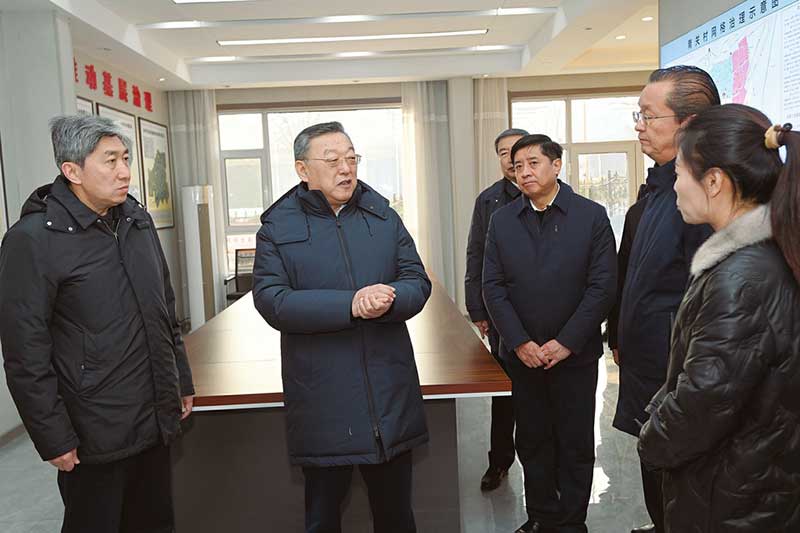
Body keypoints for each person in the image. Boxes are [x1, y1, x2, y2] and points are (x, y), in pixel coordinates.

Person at [0, 115, 194, 533]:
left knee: (155, 523)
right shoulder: (33, 240)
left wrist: (179, 379)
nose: (124, 171)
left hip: (153, 418)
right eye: (110, 161)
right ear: (72, 171)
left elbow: (164, 309)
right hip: (93, 429)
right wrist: (52, 435)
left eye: (125, 158)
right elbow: (24, 352)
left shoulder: (136, 221)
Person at [252, 121, 431, 533]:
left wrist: (390, 297)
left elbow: (417, 280)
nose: (346, 169)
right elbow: (273, 300)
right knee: (322, 517)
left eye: (351, 158)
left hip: (388, 395)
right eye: (332, 160)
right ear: (303, 170)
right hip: (323, 399)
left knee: (396, 517)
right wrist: (349, 305)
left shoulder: (382, 216)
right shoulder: (278, 228)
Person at [638, 104, 800, 532]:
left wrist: (651, 439)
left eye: (679, 173)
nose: (675, 185)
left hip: (731, 498)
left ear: (713, 181)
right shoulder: (762, 255)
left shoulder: (740, 279)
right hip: (755, 484)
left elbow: (704, 401)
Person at [483, 134, 617, 533]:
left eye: (533, 163)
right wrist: (520, 342)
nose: (524, 172)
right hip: (523, 357)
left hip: (575, 355)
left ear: (556, 165)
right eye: (517, 165)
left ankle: (572, 521)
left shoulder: (591, 216)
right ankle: (541, 516)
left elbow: (602, 287)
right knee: (532, 439)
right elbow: (493, 287)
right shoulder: (502, 220)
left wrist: (567, 342)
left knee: (575, 442)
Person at [611, 65, 719, 533]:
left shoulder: (703, 199)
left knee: (683, 493)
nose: (639, 125)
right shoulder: (659, 189)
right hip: (650, 375)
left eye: (648, 115)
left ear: (687, 124)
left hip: (676, 380)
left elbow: (705, 307)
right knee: (657, 480)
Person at [465, 127, 528, 491]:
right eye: (503, 153)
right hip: (500, 313)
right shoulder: (488, 200)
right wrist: (477, 309)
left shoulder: (554, 195)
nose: (510, 159)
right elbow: (475, 254)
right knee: (504, 392)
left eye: (515, 151)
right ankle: (499, 461)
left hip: (543, 314)